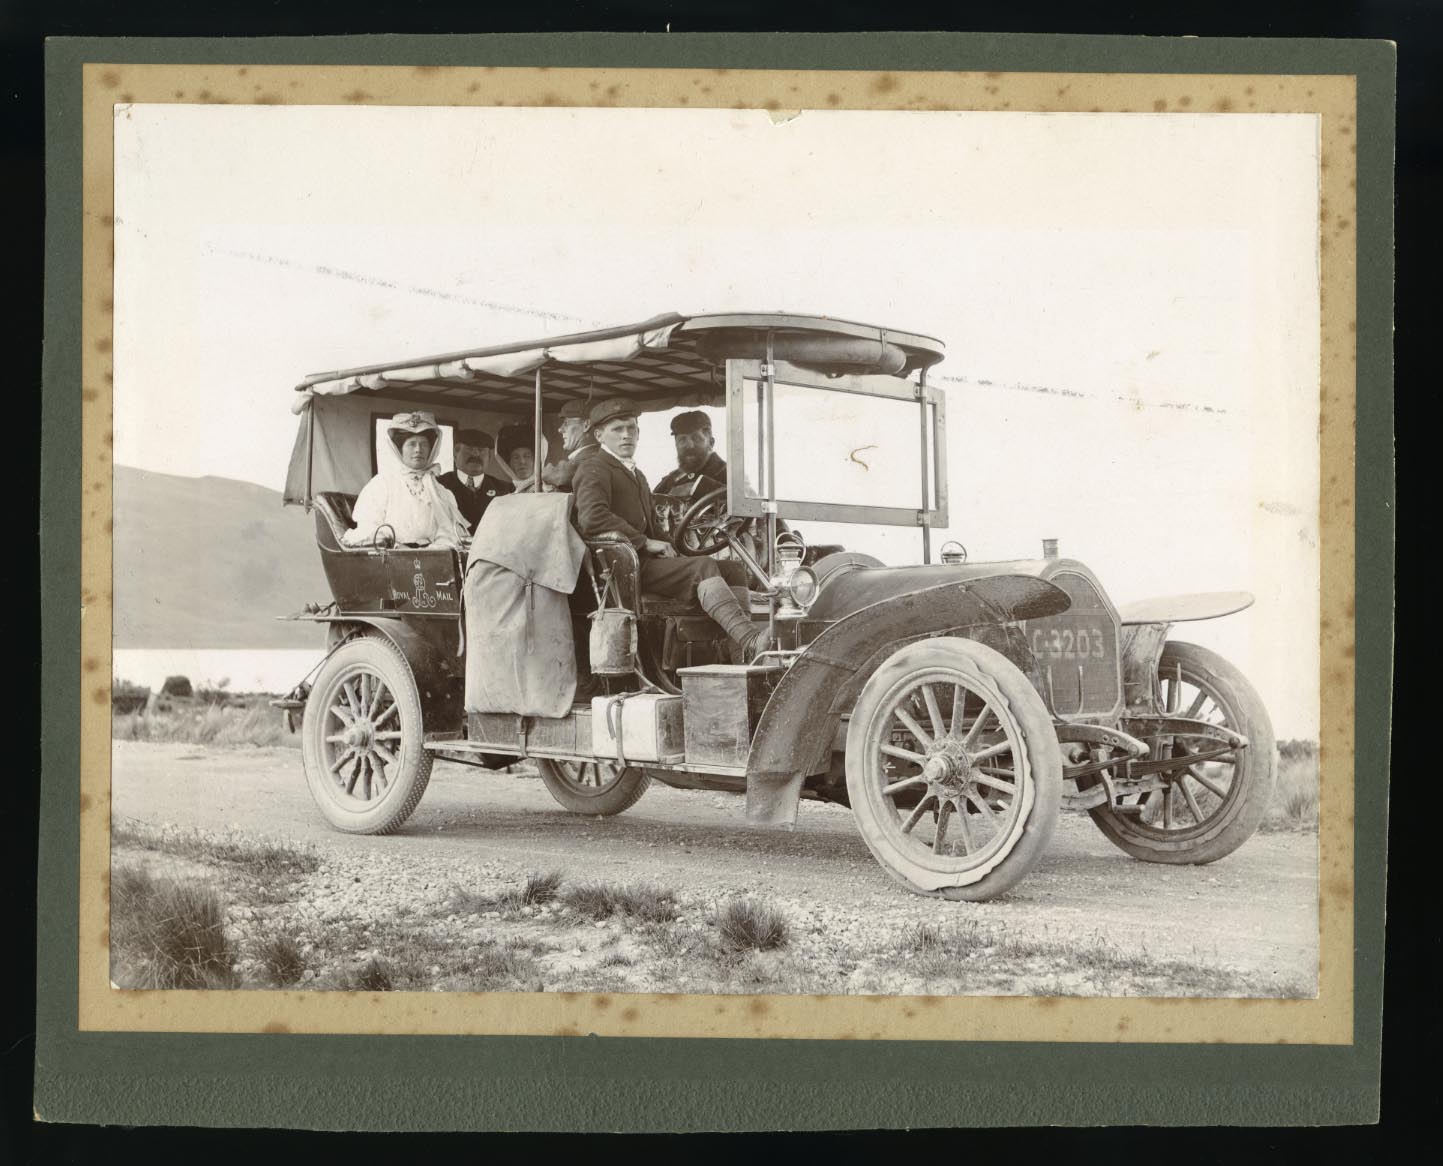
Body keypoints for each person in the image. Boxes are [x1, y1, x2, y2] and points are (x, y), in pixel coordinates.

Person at [572, 398, 765, 662]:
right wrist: (644, 542)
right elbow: (592, 518)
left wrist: (672, 547)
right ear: (599, 435)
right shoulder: (595, 469)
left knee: (733, 570)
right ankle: (751, 640)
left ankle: (740, 655)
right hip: (622, 568)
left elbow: (653, 525)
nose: (626, 435)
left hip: (644, 563)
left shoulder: (637, 475)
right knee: (703, 566)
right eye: (617, 429)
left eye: (631, 428)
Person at [343, 412, 471, 550]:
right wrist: (398, 547)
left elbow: (449, 532)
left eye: (424, 444)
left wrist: (430, 552)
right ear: (400, 450)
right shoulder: (381, 484)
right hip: (391, 557)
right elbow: (369, 528)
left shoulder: (441, 491)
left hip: (433, 558)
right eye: (412, 444)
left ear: (431, 449)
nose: (418, 450)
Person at [438, 428, 513, 533]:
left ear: (489, 457)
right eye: (469, 448)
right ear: (455, 454)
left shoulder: (505, 490)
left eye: (482, 450)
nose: (476, 454)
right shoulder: (438, 485)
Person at [654, 410, 728, 499]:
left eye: (696, 438)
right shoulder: (670, 480)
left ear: (711, 443)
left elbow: (744, 503)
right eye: (682, 440)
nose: (689, 446)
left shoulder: (729, 474)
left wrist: (695, 487)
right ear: (676, 445)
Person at [542, 398, 601, 491]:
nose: (560, 429)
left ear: (586, 425)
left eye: (566, 423)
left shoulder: (588, 458)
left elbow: (558, 475)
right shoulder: (596, 454)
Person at [496, 424, 554, 493]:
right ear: (509, 464)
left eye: (527, 456)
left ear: (536, 460)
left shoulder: (549, 491)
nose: (522, 461)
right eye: (516, 458)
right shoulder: (505, 494)